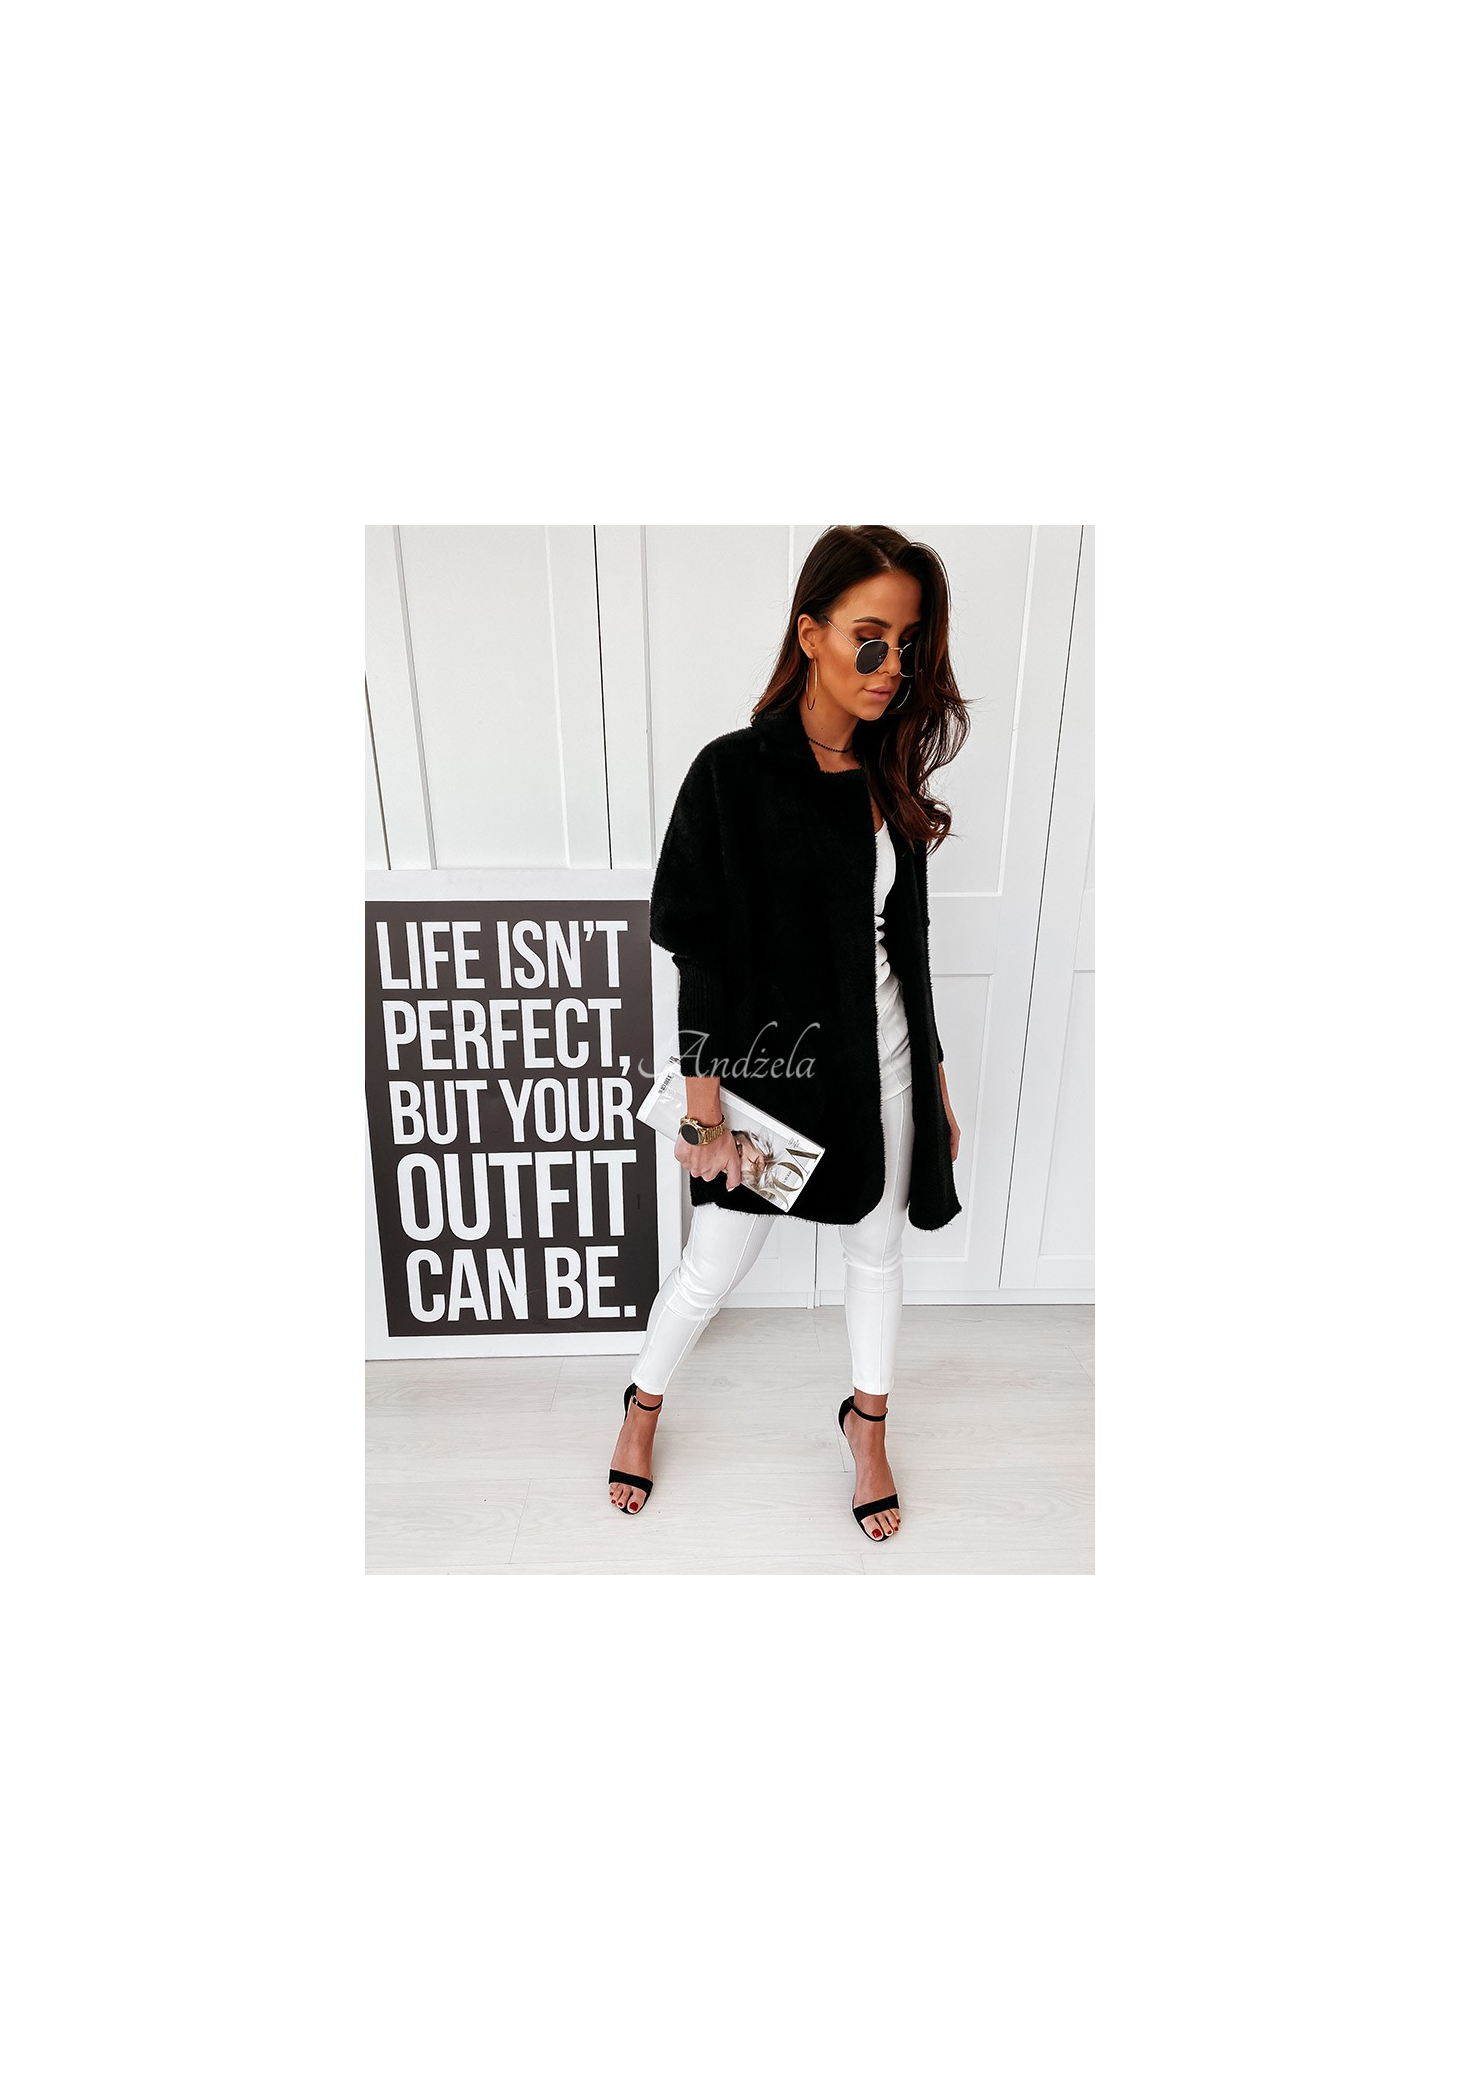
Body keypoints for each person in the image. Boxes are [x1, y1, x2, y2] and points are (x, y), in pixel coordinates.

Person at [607, 525, 968, 1540]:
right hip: (771, 1086)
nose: (890, 666)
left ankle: (867, 1427)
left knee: (876, 1252)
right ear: (810, 633)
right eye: (869, 637)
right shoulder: (730, 775)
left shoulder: (887, 775)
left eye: (907, 645)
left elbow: (907, 947)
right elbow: (700, 955)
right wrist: (704, 1117)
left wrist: (934, 1083)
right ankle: (641, 1404)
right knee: (712, 1267)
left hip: (885, 1067)